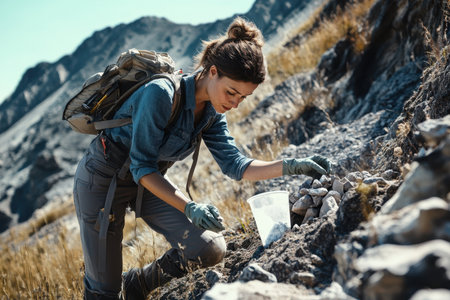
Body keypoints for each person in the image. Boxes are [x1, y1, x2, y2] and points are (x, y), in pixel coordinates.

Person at [73, 17, 331, 300]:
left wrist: (292, 165)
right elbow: (143, 166)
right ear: (211, 72)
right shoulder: (160, 94)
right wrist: (190, 207)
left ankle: (137, 284)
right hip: (102, 181)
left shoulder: (211, 112)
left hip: (147, 183)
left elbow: (235, 165)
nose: (233, 103)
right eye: (231, 92)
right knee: (104, 292)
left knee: (208, 247)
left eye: (242, 98)